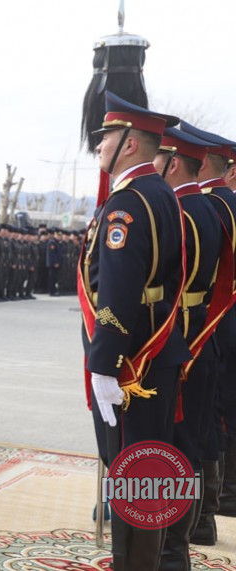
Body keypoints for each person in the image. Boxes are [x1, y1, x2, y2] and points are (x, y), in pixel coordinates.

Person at [79, 92, 190, 570]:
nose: (100, 145)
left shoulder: (127, 203)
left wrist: (104, 364)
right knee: (148, 468)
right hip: (154, 346)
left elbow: (119, 292)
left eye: (106, 137)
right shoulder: (159, 192)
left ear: (128, 143)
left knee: (132, 471)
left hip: (132, 360)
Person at [154, 127, 225, 568]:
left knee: (174, 445)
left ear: (173, 163)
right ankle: (191, 533)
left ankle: (169, 549)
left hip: (180, 338)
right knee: (191, 444)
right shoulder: (210, 208)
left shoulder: (181, 211)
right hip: (204, 333)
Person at [182, 120, 236, 545]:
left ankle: (203, 513)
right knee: (216, 414)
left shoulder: (209, 206)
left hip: (211, 319)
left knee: (202, 418)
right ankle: (215, 503)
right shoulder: (226, 203)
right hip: (223, 318)